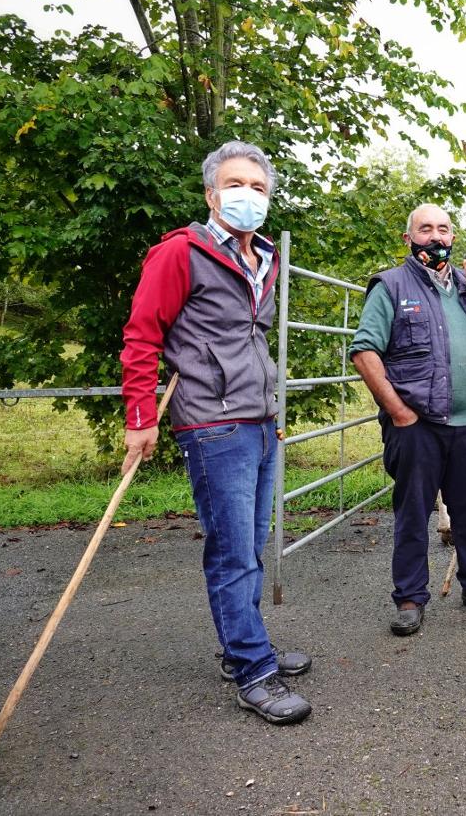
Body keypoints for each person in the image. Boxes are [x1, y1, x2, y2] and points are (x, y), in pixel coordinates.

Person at [121, 141, 312, 725]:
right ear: (211, 194)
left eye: (258, 188)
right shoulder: (179, 254)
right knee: (232, 553)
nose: (247, 196)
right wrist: (140, 418)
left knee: (250, 545)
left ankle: (242, 646)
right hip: (211, 423)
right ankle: (255, 670)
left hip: (258, 420)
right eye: (235, 185)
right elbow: (141, 336)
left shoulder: (265, 258)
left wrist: (272, 413)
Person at [349, 204, 466, 636]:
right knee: (413, 513)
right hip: (416, 425)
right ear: (409, 238)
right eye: (425, 229)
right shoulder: (390, 285)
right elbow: (364, 352)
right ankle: (409, 598)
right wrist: (399, 412)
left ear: (453, 238)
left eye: (443, 229)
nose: (435, 237)